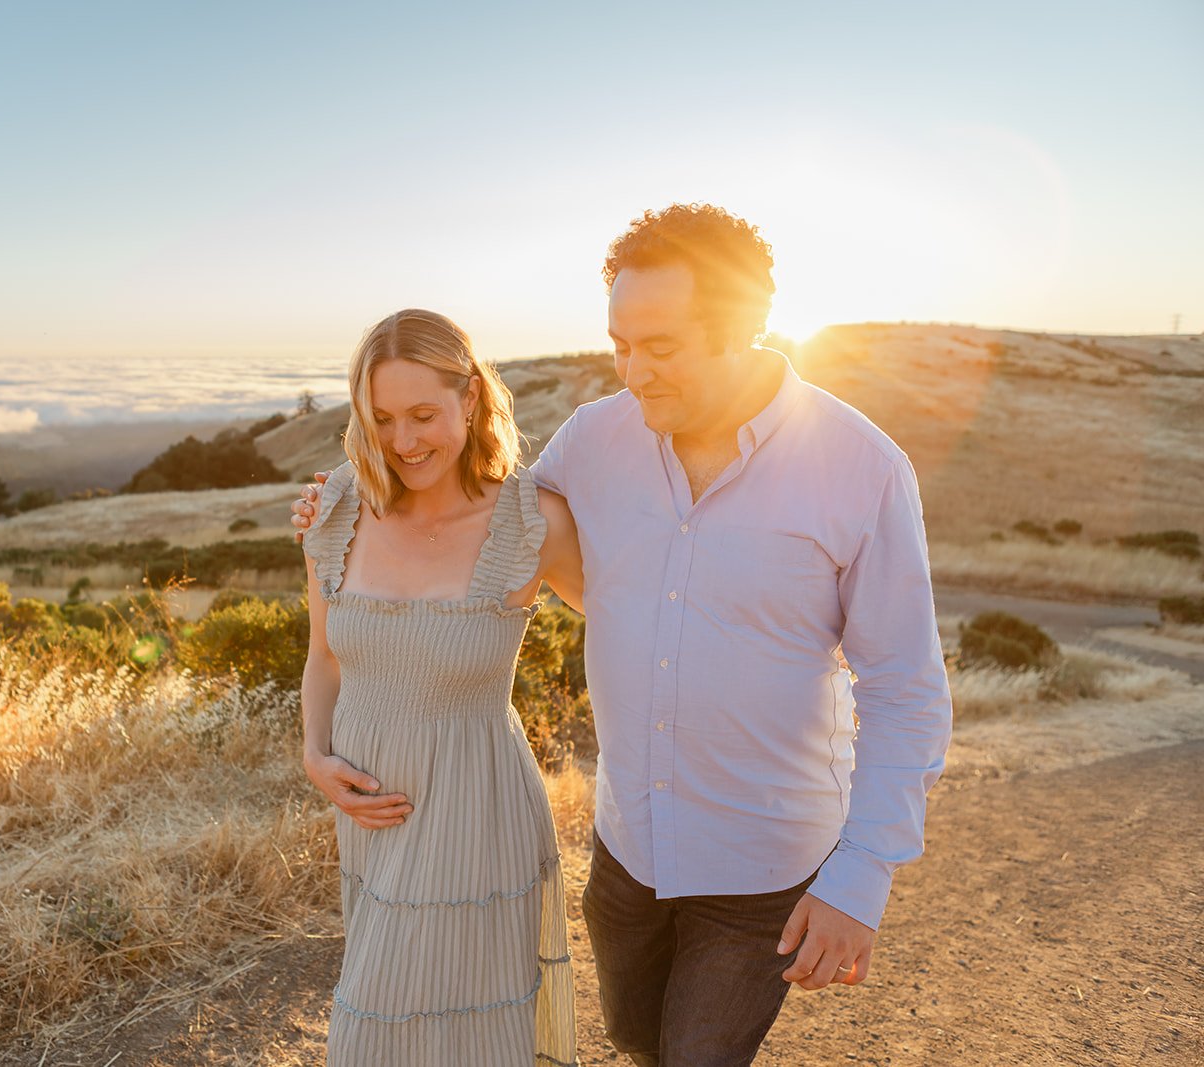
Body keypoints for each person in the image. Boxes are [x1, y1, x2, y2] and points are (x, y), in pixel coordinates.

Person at [294, 204, 952, 1066]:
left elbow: (904, 687)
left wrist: (860, 880)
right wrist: (340, 506)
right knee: (637, 1040)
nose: (634, 372)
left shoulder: (860, 469)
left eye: (662, 346)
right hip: (627, 855)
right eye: (620, 345)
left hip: (762, 863)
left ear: (744, 327)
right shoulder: (592, 444)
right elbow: (473, 514)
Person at [299, 308, 583, 1066]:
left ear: (472, 401)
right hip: (372, 824)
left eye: (424, 414)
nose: (404, 440)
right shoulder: (334, 512)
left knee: (417, 1036)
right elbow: (323, 657)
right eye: (383, 418)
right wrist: (314, 755)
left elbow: (642, 623)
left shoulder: (533, 521)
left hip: (480, 818)